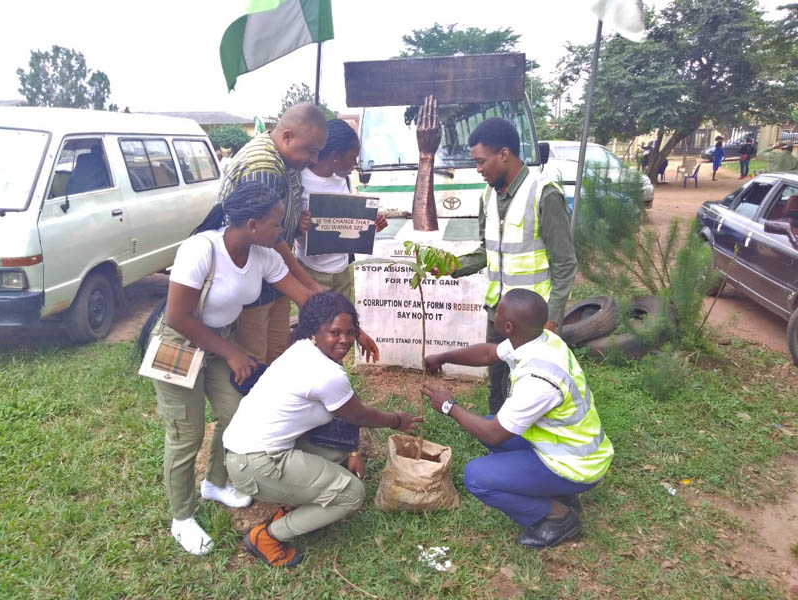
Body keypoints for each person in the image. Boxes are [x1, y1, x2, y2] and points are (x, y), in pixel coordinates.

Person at [139, 180, 332, 556]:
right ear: (252, 224)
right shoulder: (202, 249)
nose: (281, 231)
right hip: (177, 344)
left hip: (219, 342)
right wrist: (231, 353)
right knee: (185, 434)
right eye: (276, 224)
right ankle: (182, 518)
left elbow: (305, 297)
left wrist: (344, 322)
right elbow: (178, 316)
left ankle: (215, 481)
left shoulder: (264, 254)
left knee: (238, 415)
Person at [223, 292, 422, 567]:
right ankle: (267, 536)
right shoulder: (326, 373)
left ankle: (293, 499)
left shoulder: (303, 350)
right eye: (335, 332)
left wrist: (353, 450)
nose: (345, 340)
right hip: (256, 464)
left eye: (350, 332)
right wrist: (396, 420)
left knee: (337, 451)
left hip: (245, 451)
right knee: (351, 494)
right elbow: (360, 414)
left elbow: (343, 416)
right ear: (315, 330)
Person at [421, 289, 613, 549]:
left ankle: (559, 516)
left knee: (477, 476)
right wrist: (443, 357)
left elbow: (493, 433)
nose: (494, 313)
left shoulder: (538, 381)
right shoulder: (542, 339)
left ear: (507, 326)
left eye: (497, 312)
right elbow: (489, 354)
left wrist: (448, 405)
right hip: (567, 447)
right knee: (491, 425)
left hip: (577, 465)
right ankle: (560, 492)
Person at [219, 104, 379, 366]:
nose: (315, 160)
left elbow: (282, 228)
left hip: (273, 277)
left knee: (276, 358)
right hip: (255, 282)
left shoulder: (287, 159)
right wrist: (312, 288)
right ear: (287, 137)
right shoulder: (265, 169)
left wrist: (298, 224)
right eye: (312, 151)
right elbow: (273, 240)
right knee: (256, 364)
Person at [450, 118, 577, 415]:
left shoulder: (544, 193)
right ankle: (498, 442)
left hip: (534, 319)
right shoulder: (488, 196)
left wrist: (553, 319)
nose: (478, 169)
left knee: (531, 385)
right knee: (498, 384)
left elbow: (565, 264)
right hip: (499, 312)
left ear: (504, 154)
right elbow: (488, 250)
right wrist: (453, 267)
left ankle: (530, 446)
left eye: (481, 162)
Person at [294, 119, 388, 298]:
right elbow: (285, 228)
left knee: (345, 321)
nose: (354, 164)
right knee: (318, 325)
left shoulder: (343, 180)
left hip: (343, 270)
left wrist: (372, 222)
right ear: (335, 156)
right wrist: (299, 225)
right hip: (312, 272)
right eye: (352, 157)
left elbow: (349, 222)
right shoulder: (300, 180)